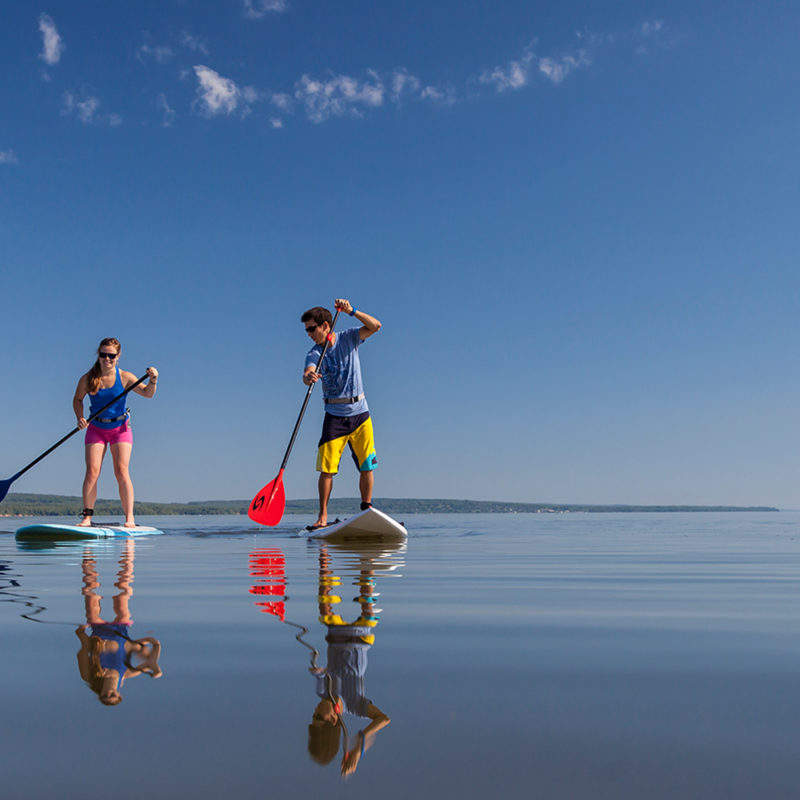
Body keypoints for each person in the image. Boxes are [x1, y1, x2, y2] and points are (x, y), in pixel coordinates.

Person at [302, 299, 381, 531]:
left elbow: (376, 326)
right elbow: (308, 370)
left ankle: (366, 508)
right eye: (306, 330)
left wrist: (351, 311)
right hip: (334, 416)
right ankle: (323, 516)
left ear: (326, 325)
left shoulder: (349, 337)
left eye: (311, 328)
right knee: (327, 470)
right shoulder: (315, 352)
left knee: (367, 465)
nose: (308, 333)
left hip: (360, 414)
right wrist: (309, 377)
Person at [72, 338, 158, 528]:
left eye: (111, 356)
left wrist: (153, 379)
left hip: (120, 430)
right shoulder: (87, 378)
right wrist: (80, 417)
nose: (107, 359)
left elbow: (148, 393)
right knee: (92, 472)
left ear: (118, 357)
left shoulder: (125, 377)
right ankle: (87, 517)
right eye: (103, 355)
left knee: (121, 472)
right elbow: (77, 399)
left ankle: (130, 519)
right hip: (96, 428)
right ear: (99, 355)